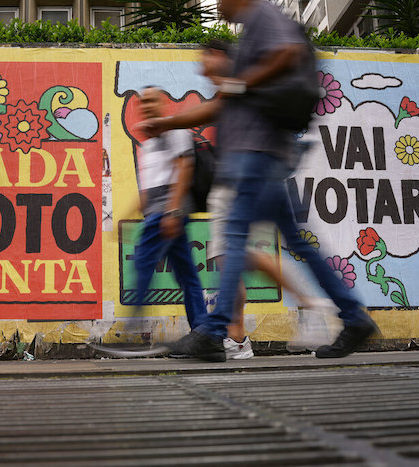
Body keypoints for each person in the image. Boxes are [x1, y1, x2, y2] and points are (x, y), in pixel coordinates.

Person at [140, 0, 378, 361]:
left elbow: (289, 52)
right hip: (265, 160)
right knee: (299, 242)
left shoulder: (263, 15)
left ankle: (216, 330)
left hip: (254, 156)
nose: (218, 6)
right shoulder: (251, 34)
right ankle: (355, 317)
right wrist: (167, 123)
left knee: (233, 237)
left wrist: (240, 83)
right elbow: (221, 104)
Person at [200, 41, 311, 360]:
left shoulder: (237, 87)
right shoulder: (236, 88)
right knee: (235, 258)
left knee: (229, 258)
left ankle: (237, 338)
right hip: (237, 184)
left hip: (238, 185)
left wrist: (168, 123)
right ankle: (238, 337)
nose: (202, 64)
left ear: (222, 57)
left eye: (207, 56)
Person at [130, 86, 207, 334]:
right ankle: (203, 333)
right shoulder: (150, 142)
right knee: (186, 276)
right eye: (143, 102)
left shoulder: (175, 130)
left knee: (143, 260)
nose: (147, 105)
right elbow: (151, 186)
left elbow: (185, 168)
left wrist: (173, 212)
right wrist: (129, 212)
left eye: (152, 100)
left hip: (167, 213)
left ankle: (134, 326)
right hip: (159, 212)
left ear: (163, 103)